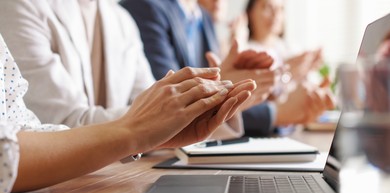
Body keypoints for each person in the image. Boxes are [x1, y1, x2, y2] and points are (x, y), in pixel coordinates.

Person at [0, 33, 256, 193]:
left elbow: (24, 130)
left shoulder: (121, 18)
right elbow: (7, 152)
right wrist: (131, 132)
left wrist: (149, 134)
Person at [0, 0, 247, 139]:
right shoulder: (21, 6)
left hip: (114, 179)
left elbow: (148, 102)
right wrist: (176, 113)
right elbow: (61, 123)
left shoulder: (122, 19)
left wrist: (218, 101)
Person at [122, 0, 334, 137]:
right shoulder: (147, 7)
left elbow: (219, 82)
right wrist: (277, 112)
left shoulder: (203, 17)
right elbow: (169, 101)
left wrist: (244, 85)